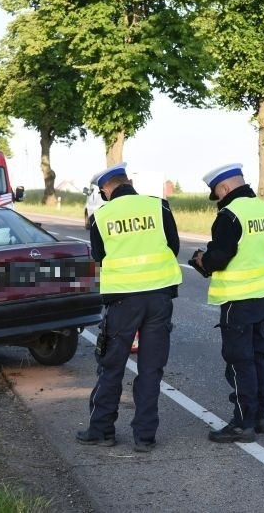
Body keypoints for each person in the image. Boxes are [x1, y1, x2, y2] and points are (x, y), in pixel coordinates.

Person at [76, 162, 182, 453]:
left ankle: (102, 430)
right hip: (160, 297)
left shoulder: (102, 215)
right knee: (151, 368)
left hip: (123, 300)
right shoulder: (159, 206)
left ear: (107, 189)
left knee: (111, 366)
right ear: (128, 182)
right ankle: (145, 436)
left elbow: (99, 256)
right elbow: (173, 247)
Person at [189, 163, 264, 442]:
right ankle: (259, 416)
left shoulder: (229, 216)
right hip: (263, 294)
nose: (219, 199)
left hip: (237, 298)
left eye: (218, 193)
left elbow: (219, 258)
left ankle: (243, 423)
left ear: (225, 188)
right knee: (257, 356)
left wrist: (202, 260)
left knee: (239, 362)